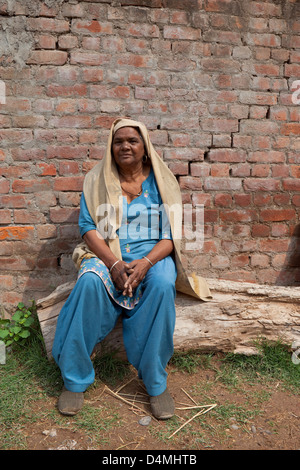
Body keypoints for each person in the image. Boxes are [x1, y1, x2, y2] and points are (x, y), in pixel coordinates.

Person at [52, 118, 211, 419]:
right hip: (106, 255)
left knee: (164, 281)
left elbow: (171, 235)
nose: (125, 146)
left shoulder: (162, 181)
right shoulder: (96, 180)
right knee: (88, 282)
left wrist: (147, 263)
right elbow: (88, 228)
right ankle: (74, 379)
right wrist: (112, 264)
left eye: (132, 141)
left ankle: (154, 382)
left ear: (145, 146)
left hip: (151, 257)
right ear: (110, 148)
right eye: (118, 141)